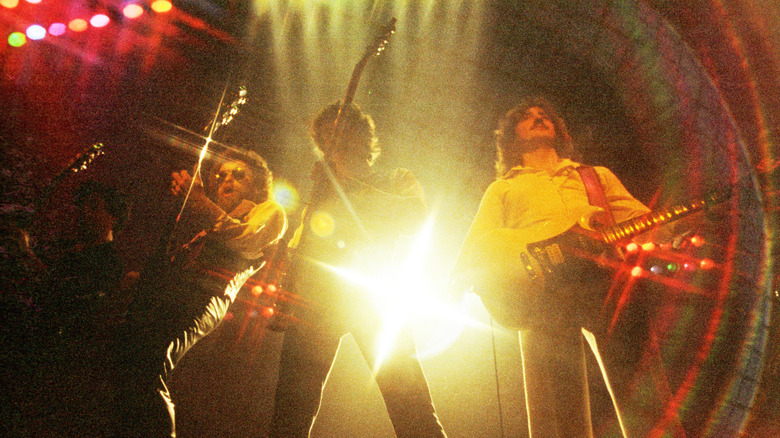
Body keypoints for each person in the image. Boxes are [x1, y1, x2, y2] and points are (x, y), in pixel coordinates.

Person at [452, 95, 686, 437]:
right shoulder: (503, 188)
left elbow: (643, 221)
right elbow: (477, 245)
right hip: (540, 291)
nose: (538, 116)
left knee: (641, 391)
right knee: (558, 411)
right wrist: (529, 252)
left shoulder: (595, 176)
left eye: (543, 114)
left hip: (603, 281)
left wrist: (684, 222)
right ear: (510, 138)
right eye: (527, 116)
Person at [269, 101, 447, 437]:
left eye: (344, 129)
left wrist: (346, 190)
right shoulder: (320, 194)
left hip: (373, 296)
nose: (336, 138)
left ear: (363, 137)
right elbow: (301, 248)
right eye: (328, 135)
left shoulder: (396, 179)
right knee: (290, 417)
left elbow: (415, 217)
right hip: (314, 302)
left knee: (413, 412)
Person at [116, 148, 287, 437]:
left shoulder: (269, 211)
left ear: (257, 185)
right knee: (131, 363)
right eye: (220, 175)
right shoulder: (210, 219)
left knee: (152, 366)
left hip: (206, 296)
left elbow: (243, 239)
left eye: (238, 175)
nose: (226, 180)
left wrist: (197, 200)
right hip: (177, 293)